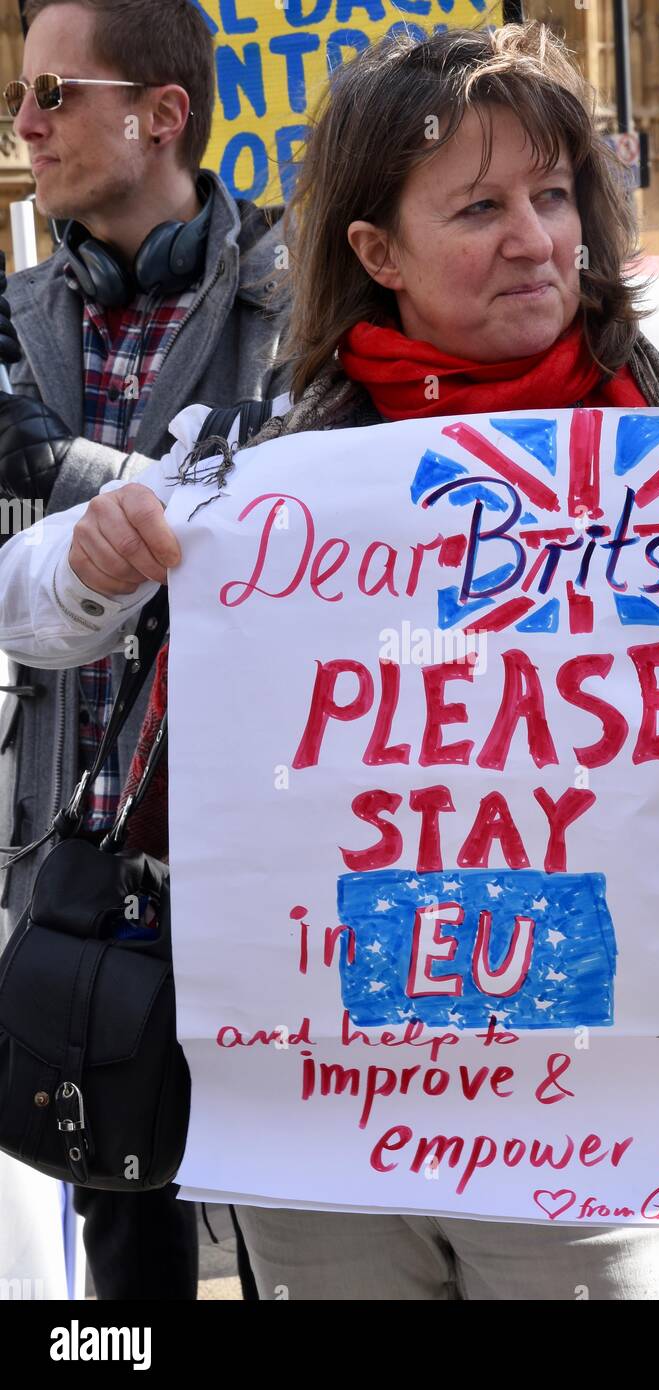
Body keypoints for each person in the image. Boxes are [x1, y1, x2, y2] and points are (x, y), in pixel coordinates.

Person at [0, 22, 659, 1300]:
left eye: (553, 194)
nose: (535, 237)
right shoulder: (271, 464)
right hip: (327, 1132)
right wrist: (95, 558)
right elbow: (30, 611)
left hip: (586, 1137)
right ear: (374, 251)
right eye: (477, 205)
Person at [0, 0, 292, 1300]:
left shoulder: (304, 306)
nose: (24, 125)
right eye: (23, 95)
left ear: (162, 112)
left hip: (267, 858)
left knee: (312, 1222)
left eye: (55, 93)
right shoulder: (11, 322)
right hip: (76, 868)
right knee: (124, 1245)